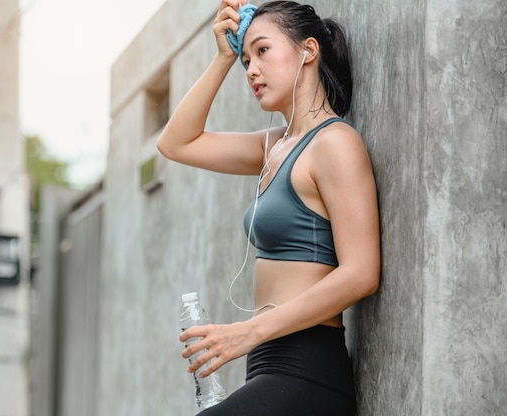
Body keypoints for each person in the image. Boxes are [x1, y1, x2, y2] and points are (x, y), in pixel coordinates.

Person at [157, 0, 380, 414]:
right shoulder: (272, 146)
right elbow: (176, 143)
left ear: (308, 51)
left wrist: (247, 332)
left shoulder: (335, 143)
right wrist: (223, 58)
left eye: (262, 51)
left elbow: (362, 273)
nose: (251, 70)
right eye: (246, 60)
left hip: (306, 372)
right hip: (266, 366)